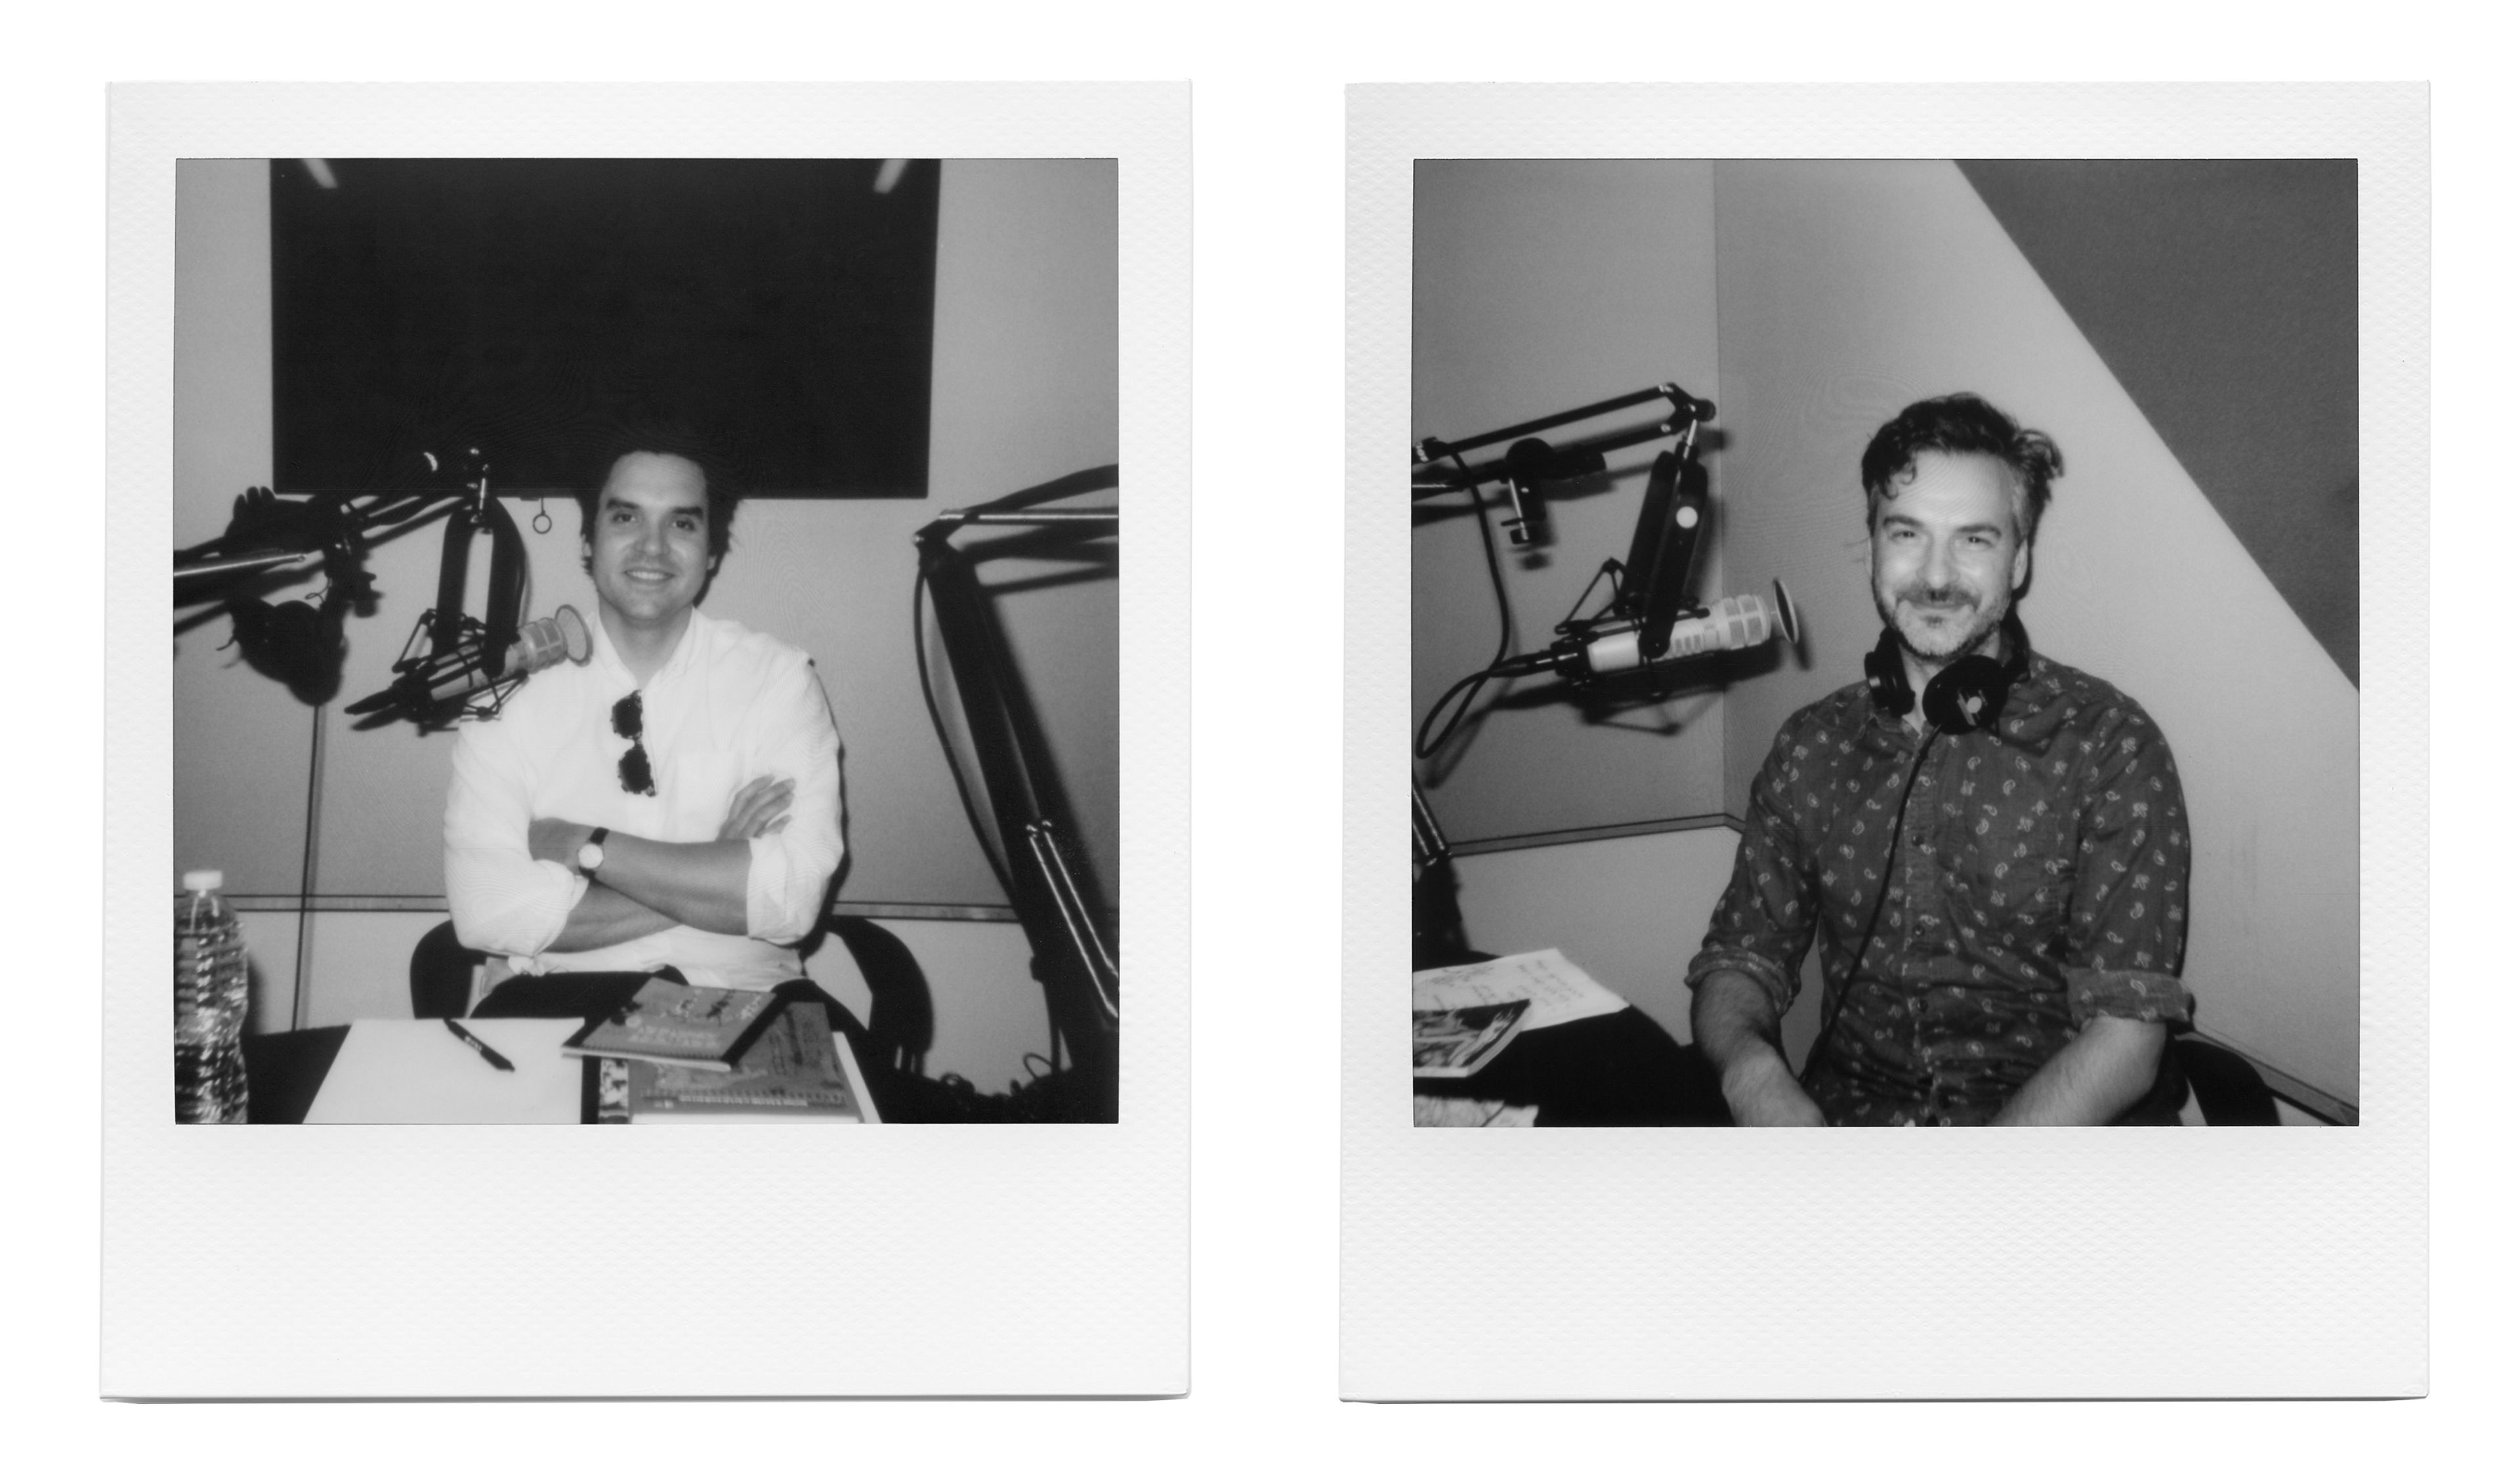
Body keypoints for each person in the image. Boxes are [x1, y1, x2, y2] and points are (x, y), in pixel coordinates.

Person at [1687, 394, 2192, 1126]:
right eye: (1907, 533)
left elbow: (2128, 1033)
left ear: (2019, 560)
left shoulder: (2110, 744)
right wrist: (1751, 1074)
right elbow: (1740, 957)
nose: (1935, 574)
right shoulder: (1812, 746)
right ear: (1873, 543)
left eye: (1975, 540)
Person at [442, 428, 846, 1016]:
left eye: (682, 524)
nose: (652, 548)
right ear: (587, 541)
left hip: (748, 995)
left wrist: (586, 848)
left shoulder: (778, 681)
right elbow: (488, 913)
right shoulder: (508, 692)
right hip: (554, 993)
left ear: (711, 552)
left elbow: (790, 900)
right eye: (626, 518)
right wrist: (715, 861)